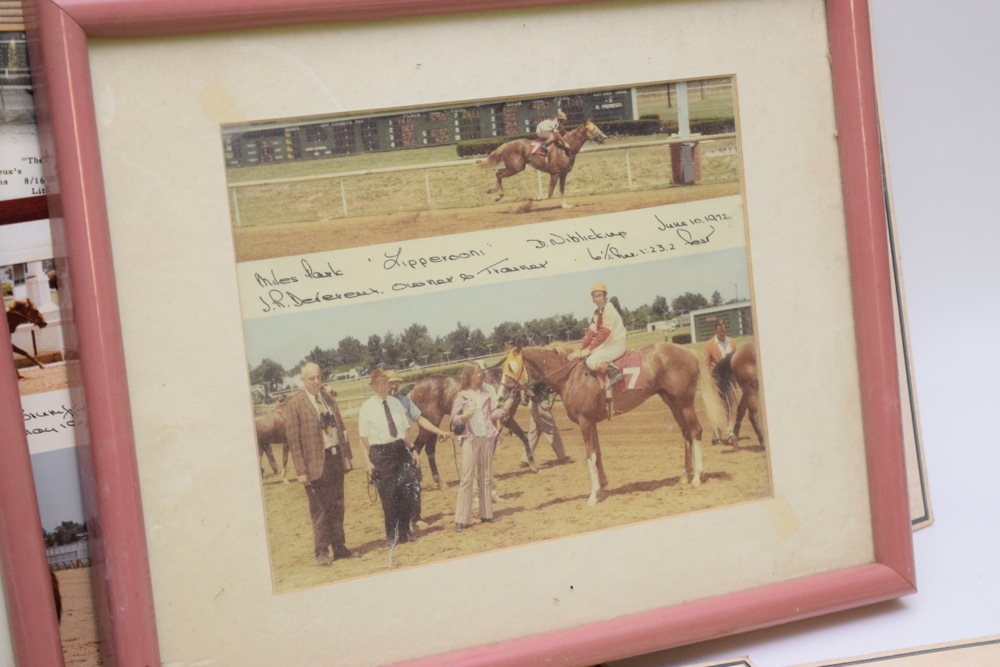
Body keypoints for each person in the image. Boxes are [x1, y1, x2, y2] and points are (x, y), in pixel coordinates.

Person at [284, 362, 357, 567]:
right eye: (311, 379)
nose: (316, 381)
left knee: (337, 505)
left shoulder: (328, 398)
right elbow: (294, 441)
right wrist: (301, 471)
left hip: (335, 458)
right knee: (320, 509)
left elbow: (340, 427)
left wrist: (346, 456)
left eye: (318, 377)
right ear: (303, 380)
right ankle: (322, 551)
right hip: (315, 465)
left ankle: (340, 548)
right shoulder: (295, 404)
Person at [359, 368, 422, 547]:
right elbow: (363, 439)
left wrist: (413, 449)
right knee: (389, 495)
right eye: (378, 384)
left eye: (385, 383)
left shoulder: (396, 404)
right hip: (380, 453)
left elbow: (404, 432)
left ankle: (405, 531)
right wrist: (368, 462)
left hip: (400, 449)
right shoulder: (367, 408)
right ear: (372, 386)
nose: (382, 387)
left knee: (405, 491)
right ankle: (391, 535)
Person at [384, 370, 451, 532]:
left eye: (397, 382)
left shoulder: (404, 401)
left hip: (405, 447)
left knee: (414, 481)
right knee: (394, 487)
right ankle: (401, 522)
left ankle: (416, 518)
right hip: (387, 449)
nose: (394, 386)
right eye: (391, 382)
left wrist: (438, 431)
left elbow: (420, 419)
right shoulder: (379, 404)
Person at [450, 362, 504, 532]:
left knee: (486, 477)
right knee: (467, 479)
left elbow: (493, 413)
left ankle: (486, 514)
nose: (480, 375)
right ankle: (461, 518)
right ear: (469, 376)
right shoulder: (462, 396)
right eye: (476, 373)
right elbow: (453, 420)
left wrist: (503, 411)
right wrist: (463, 417)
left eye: (480, 372)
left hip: (486, 438)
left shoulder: (487, 393)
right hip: (470, 439)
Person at [567, 281, 628, 386]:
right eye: (594, 297)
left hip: (616, 345)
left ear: (604, 296)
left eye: (599, 296)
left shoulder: (609, 309)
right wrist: (579, 348)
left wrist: (588, 349)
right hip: (607, 345)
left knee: (590, 361)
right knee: (585, 356)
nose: (597, 299)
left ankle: (615, 372)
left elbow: (604, 333)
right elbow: (591, 332)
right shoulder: (597, 311)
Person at [520, 382, 569, 467]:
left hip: (535, 404)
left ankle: (525, 458)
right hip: (540, 404)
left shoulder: (533, 376)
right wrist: (537, 399)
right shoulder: (539, 377)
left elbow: (528, 388)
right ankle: (562, 457)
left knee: (534, 432)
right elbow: (529, 390)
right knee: (552, 431)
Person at [704, 318, 736, 444]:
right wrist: (709, 382)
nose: (722, 332)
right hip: (716, 380)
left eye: (723, 329)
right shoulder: (710, 345)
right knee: (718, 407)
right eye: (719, 330)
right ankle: (718, 436)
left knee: (728, 405)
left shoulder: (731, 342)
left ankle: (728, 434)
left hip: (728, 379)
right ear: (715, 330)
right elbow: (706, 364)